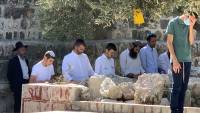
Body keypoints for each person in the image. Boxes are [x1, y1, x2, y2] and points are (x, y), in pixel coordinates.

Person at [166, 10, 198, 113]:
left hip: (187, 60)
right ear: (186, 15)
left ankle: (180, 110)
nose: (192, 22)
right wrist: (174, 60)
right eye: (191, 19)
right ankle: (174, 110)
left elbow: (191, 42)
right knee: (177, 86)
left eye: (194, 21)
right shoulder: (173, 23)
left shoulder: (190, 26)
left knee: (184, 87)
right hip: (176, 60)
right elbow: (169, 43)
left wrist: (191, 26)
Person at [7, 41, 31, 113]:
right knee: (18, 104)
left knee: (25, 103)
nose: (24, 51)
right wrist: (13, 86)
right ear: (18, 51)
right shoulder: (13, 61)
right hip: (18, 86)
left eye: (24, 50)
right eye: (22, 50)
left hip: (26, 84)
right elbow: (9, 75)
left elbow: (27, 72)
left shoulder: (26, 60)